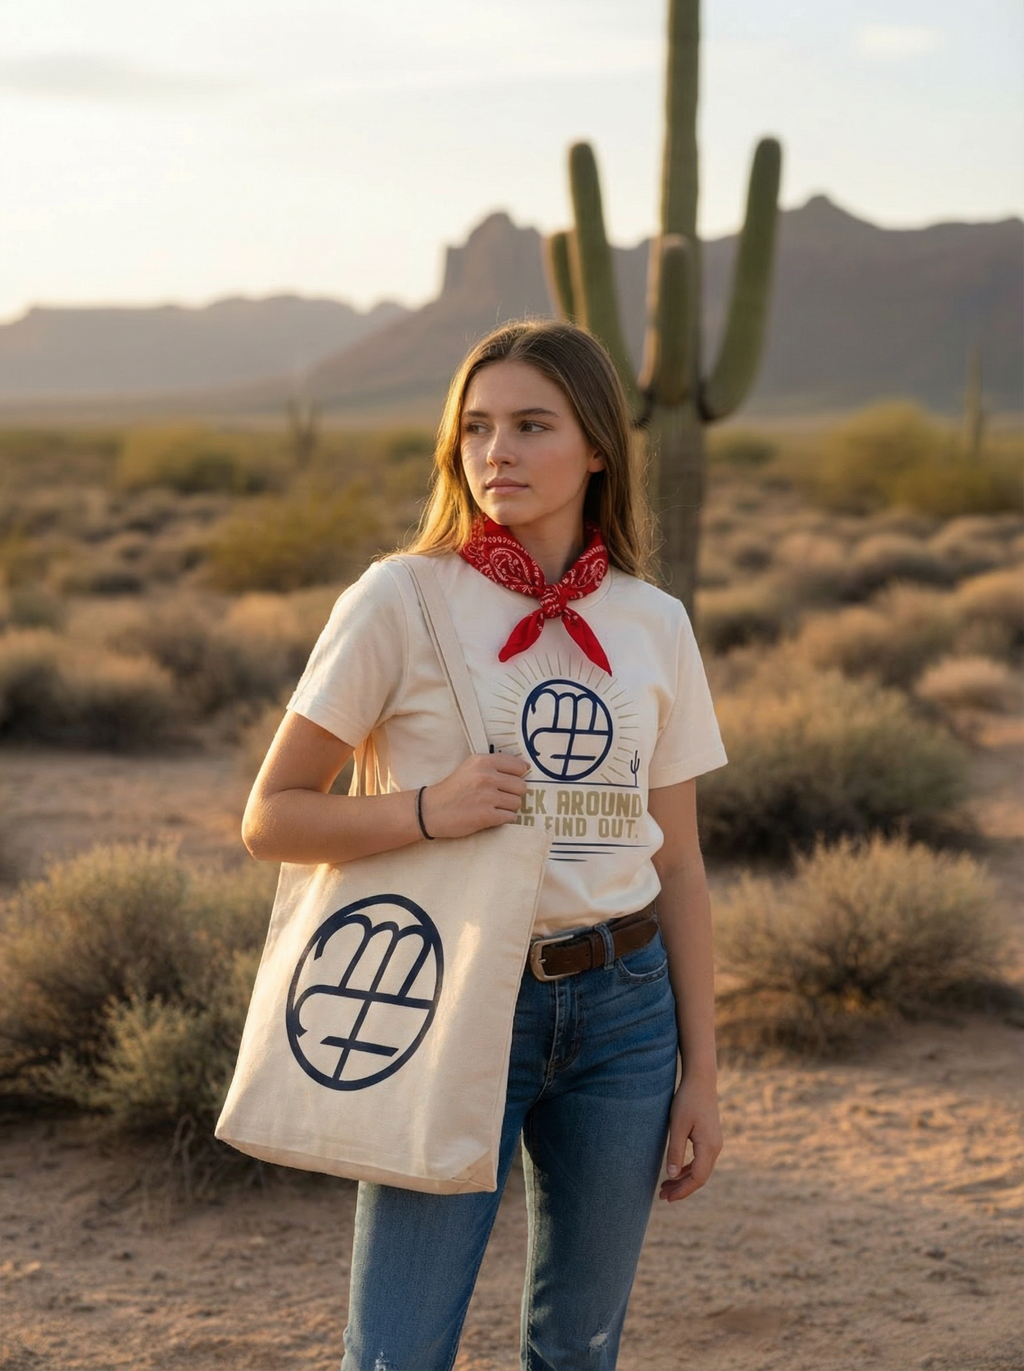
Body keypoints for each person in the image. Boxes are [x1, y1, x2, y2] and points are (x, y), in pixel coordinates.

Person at [241, 319, 727, 1370]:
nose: (494, 451)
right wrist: (429, 810)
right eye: (475, 427)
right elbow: (272, 815)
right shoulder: (399, 599)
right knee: (399, 1351)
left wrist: (703, 1071)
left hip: (625, 1011)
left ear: (596, 446)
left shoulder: (654, 622)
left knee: (577, 1348)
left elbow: (678, 862)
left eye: (530, 425)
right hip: (452, 992)